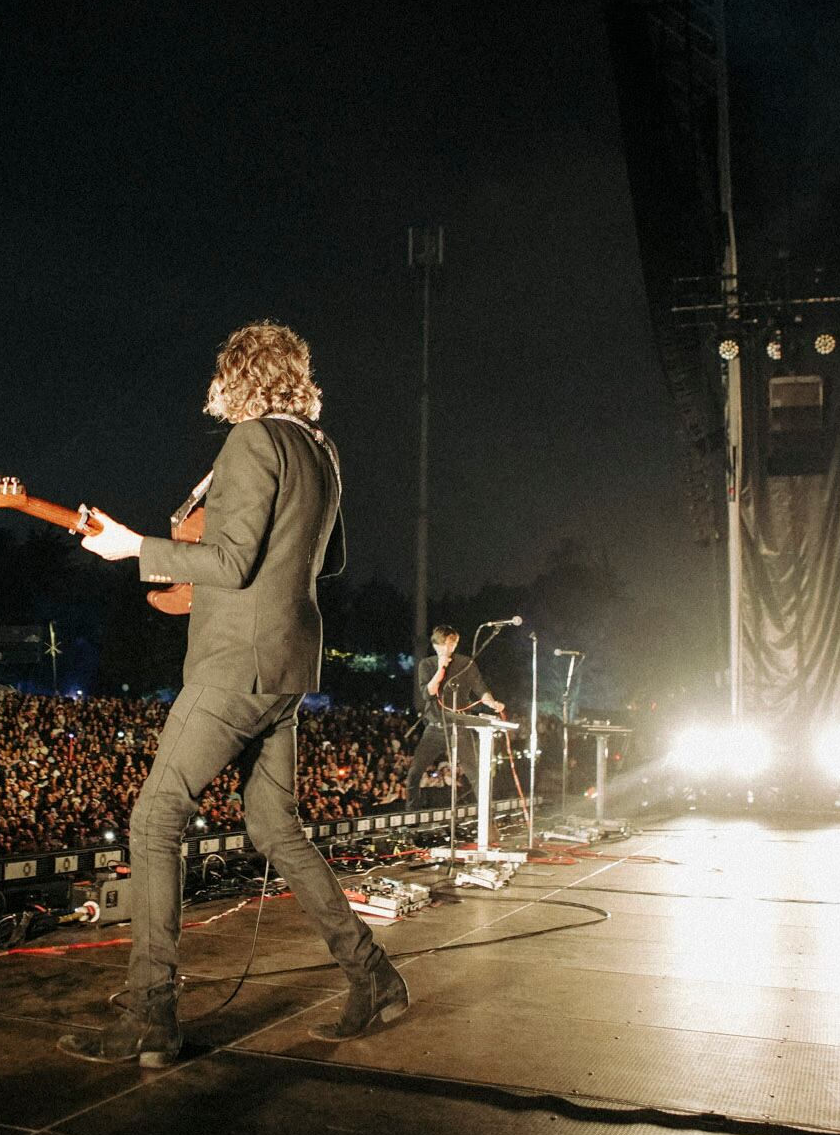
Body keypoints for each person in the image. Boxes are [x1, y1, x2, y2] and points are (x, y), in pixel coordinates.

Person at [62, 320, 406, 1065]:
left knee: (156, 818)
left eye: (223, 373)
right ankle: (373, 974)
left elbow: (229, 557)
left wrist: (134, 547)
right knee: (273, 826)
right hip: (288, 664)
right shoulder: (322, 448)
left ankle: (151, 1014)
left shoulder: (253, 442)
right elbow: (328, 558)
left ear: (242, 375)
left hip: (235, 663)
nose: (213, 387)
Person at [404, 625, 509, 809]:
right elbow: (428, 693)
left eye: (452, 644)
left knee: (475, 773)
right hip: (435, 727)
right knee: (414, 772)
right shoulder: (426, 664)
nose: (448, 648)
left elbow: (480, 688)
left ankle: (487, 816)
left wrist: (492, 703)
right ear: (436, 645)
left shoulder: (466, 664)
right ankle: (412, 813)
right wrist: (440, 670)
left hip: (459, 727)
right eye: (444, 644)